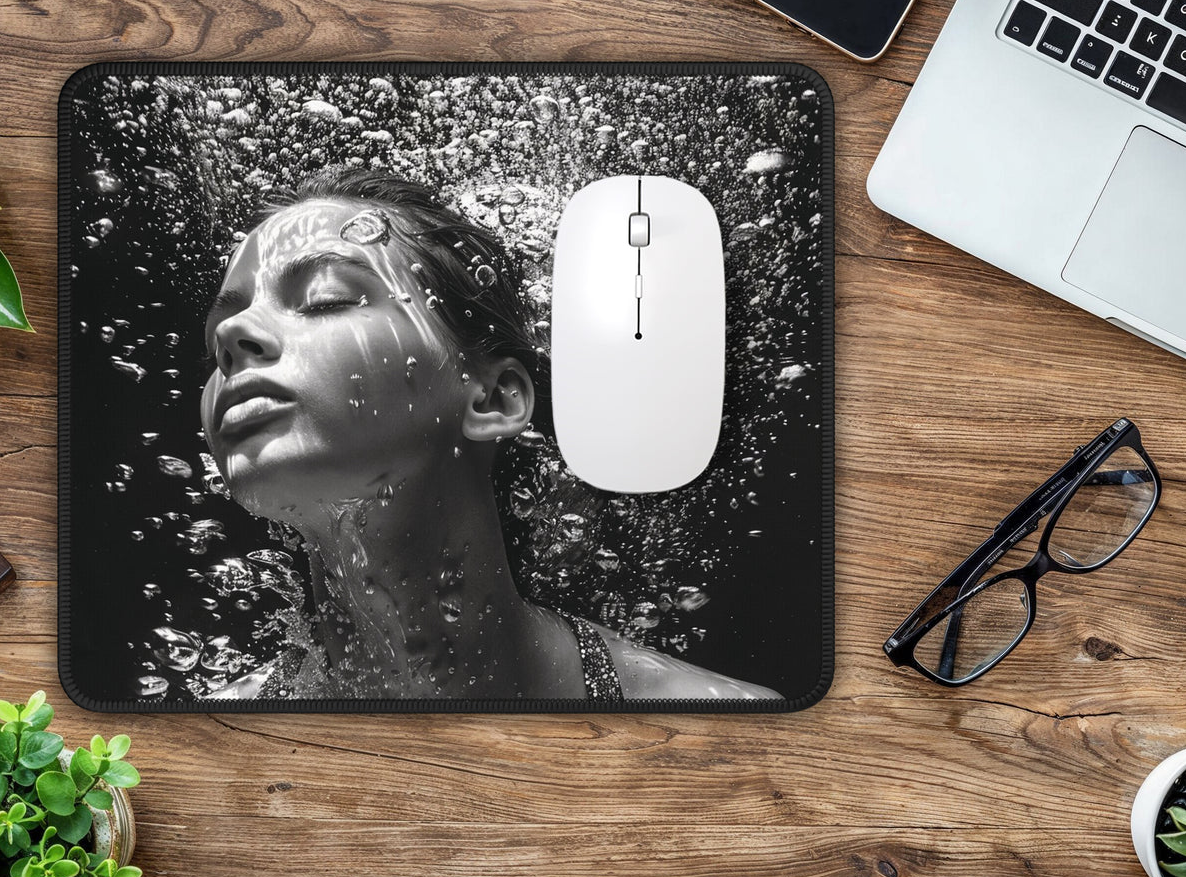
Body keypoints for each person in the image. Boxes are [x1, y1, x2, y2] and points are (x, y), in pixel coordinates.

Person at [200, 167, 779, 702]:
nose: (232, 333)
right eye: (215, 337)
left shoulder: (723, 724)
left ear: (493, 398)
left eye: (324, 299)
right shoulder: (198, 745)